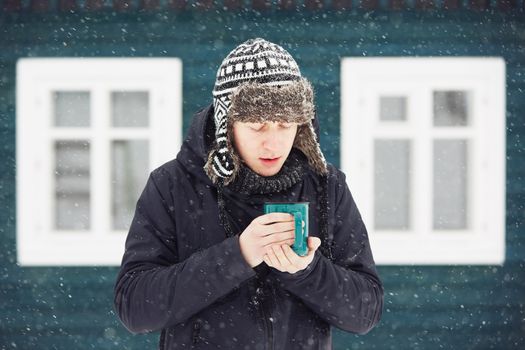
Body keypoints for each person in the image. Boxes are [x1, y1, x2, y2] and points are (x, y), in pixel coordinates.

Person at [114, 38, 383, 349]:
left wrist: (307, 272)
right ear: (225, 125)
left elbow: (366, 311)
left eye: (285, 125)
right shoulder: (172, 185)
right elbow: (134, 307)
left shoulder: (327, 186)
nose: (273, 143)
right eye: (257, 126)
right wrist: (237, 256)